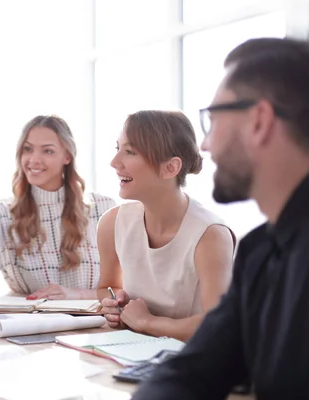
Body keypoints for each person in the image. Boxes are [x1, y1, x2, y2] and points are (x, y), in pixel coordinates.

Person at [132, 37, 309, 400]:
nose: (204, 146)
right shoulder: (260, 252)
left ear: (260, 122)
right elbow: (192, 371)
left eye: (214, 119)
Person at [0, 115, 115, 299]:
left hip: (96, 324)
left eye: (47, 151)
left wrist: (75, 295)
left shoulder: (103, 209)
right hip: (29, 323)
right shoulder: (1, 212)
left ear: (67, 156)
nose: (33, 159)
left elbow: (123, 290)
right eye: (27, 149)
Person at [97, 110, 235, 341]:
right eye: (117, 148)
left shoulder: (210, 235)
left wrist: (147, 322)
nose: (114, 162)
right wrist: (114, 304)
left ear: (170, 168)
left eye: (129, 151)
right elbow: (106, 287)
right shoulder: (112, 223)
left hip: (193, 361)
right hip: (132, 348)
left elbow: (218, 325)